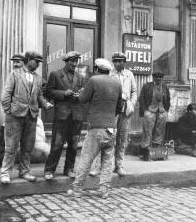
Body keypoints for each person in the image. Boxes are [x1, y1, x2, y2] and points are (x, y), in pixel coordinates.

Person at [67, 58, 122, 198]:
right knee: (107, 161)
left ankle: (77, 189)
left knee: (86, 158)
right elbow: (119, 107)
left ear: (97, 69)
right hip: (111, 127)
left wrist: (79, 93)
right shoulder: (117, 82)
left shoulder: (94, 80)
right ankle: (104, 191)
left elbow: (82, 99)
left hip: (96, 127)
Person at [0, 51, 52, 184]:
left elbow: (39, 95)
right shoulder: (14, 74)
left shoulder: (38, 78)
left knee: (28, 146)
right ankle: (5, 173)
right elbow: (6, 94)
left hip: (31, 116)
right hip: (15, 116)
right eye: (36, 61)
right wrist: (9, 111)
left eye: (39, 62)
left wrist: (45, 104)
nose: (38, 64)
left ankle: (24, 171)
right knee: (11, 146)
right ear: (28, 60)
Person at [89, 52, 137, 176]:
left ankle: (119, 165)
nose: (118, 63)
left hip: (125, 110)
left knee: (122, 138)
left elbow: (134, 91)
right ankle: (98, 167)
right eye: (115, 61)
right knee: (105, 138)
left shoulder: (129, 74)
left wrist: (131, 104)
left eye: (121, 61)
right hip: (111, 111)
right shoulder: (109, 74)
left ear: (124, 62)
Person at [44, 51, 85, 180]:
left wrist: (81, 95)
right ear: (66, 62)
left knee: (73, 145)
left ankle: (69, 169)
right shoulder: (55, 75)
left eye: (76, 61)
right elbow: (48, 92)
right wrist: (63, 93)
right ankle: (49, 170)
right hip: (61, 115)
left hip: (76, 116)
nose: (74, 64)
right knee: (57, 144)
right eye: (72, 61)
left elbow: (85, 95)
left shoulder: (81, 77)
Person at [0, 53, 24, 169]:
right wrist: (8, 109)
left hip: (26, 113)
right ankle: (0, 161)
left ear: (25, 63)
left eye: (19, 62)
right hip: (13, 113)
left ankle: (21, 166)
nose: (16, 64)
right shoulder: (11, 75)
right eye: (14, 62)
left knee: (24, 141)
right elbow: (7, 93)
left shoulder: (30, 76)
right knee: (5, 138)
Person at [138, 70, 171, 158]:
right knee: (147, 129)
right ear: (153, 77)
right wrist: (145, 110)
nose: (158, 79)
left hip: (161, 110)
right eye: (157, 77)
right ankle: (145, 149)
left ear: (162, 78)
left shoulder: (165, 87)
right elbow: (141, 98)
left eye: (160, 77)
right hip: (150, 110)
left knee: (160, 129)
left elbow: (168, 99)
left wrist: (166, 109)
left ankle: (157, 147)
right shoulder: (147, 86)